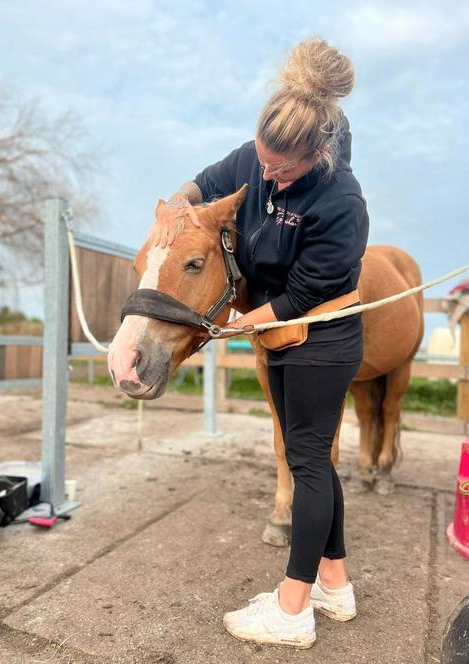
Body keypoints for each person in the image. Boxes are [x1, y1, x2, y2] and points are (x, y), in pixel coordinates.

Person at [155, 37, 369, 649]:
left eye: (282, 169)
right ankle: (335, 584)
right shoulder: (255, 160)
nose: (267, 175)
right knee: (314, 463)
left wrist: (246, 320)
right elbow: (204, 183)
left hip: (321, 338)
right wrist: (175, 204)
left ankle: (293, 608)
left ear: (319, 152)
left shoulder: (340, 200)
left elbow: (306, 292)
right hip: (280, 337)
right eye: (262, 159)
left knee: (306, 463)